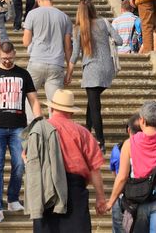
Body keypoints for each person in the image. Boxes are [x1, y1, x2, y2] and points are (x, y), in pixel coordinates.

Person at [0, 41, 43, 223]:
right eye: (4, 58)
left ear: (15, 53)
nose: (7, 61)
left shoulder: (23, 74)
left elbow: (33, 100)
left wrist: (39, 122)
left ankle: (13, 198)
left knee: (20, 164)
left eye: (10, 58)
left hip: (18, 127)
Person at [29, 89, 108, 231]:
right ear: (71, 112)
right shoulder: (82, 132)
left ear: (52, 108)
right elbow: (94, 169)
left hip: (46, 187)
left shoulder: (40, 129)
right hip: (74, 189)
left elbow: (27, 159)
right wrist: (100, 198)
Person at [107, 101, 156, 233]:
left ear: (142, 120)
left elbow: (121, 177)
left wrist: (111, 202)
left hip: (138, 199)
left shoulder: (129, 144)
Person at [69, 0, 121, 151]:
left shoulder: (78, 29)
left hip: (92, 70)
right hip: (107, 69)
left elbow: (75, 54)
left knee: (95, 106)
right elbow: (119, 40)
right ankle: (87, 130)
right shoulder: (104, 22)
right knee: (92, 103)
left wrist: (69, 73)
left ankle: (100, 141)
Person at [23, 0, 73, 108]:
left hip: (36, 60)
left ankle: (31, 124)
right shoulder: (64, 17)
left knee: (29, 100)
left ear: (37, 0)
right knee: (56, 103)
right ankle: (53, 125)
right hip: (56, 63)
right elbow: (68, 47)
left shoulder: (32, 14)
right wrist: (69, 71)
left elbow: (26, 41)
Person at [108, 116, 140, 233]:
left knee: (118, 228)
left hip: (121, 195)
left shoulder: (117, 148)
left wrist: (110, 201)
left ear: (128, 130)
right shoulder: (148, 148)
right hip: (141, 195)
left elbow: (116, 174)